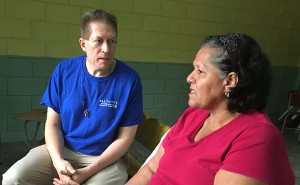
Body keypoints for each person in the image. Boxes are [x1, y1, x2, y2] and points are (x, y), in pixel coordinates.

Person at [126, 33, 295, 185]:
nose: (189, 77)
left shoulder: (257, 138)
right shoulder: (194, 115)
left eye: (200, 71)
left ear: (230, 81)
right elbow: (150, 169)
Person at [2, 9, 143, 185]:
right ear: (83, 44)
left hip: (105, 159)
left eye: (112, 41)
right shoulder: (64, 70)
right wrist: (58, 162)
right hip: (63, 149)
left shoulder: (130, 80)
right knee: (12, 178)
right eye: (98, 41)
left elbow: (125, 138)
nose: (106, 49)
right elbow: (53, 124)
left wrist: (86, 172)